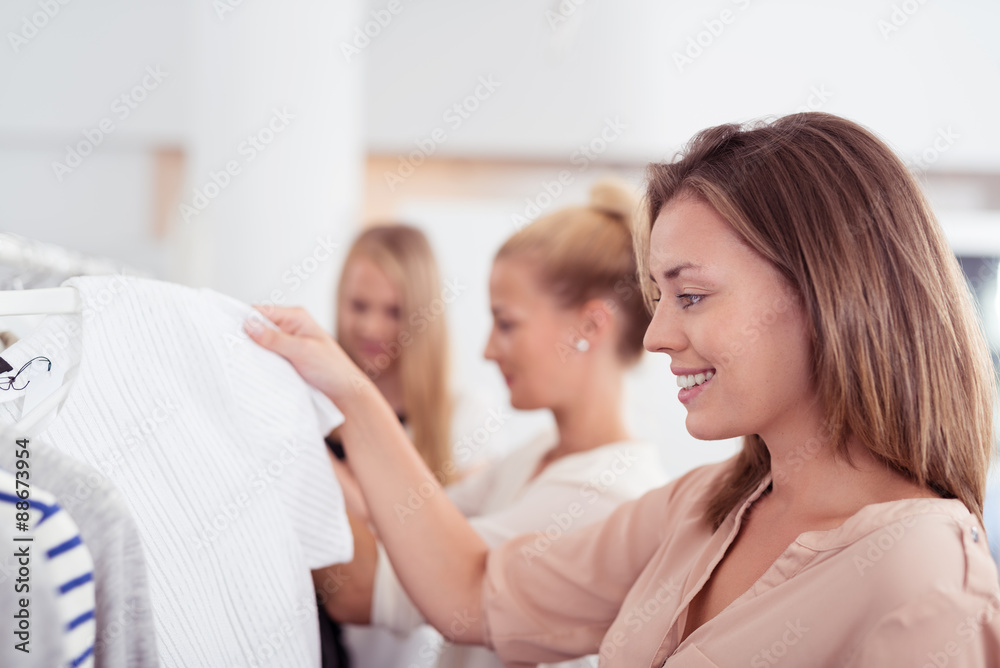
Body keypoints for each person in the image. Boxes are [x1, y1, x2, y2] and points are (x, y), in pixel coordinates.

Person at [246, 113, 1000, 666]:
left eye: (691, 296)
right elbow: (472, 592)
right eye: (659, 298)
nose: (657, 336)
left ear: (826, 294)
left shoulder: (926, 580)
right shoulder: (702, 508)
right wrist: (347, 390)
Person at [318, 181, 668, 667]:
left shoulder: (602, 495)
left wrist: (301, 433)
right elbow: (401, 522)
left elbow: (364, 589)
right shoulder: (536, 455)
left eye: (506, 323)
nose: (487, 350)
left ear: (590, 326)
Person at [319, 224, 497, 667]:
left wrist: (321, 467)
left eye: (394, 311)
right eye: (358, 306)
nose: (371, 326)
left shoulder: (464, 416)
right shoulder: (314, 400)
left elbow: (447, 555)